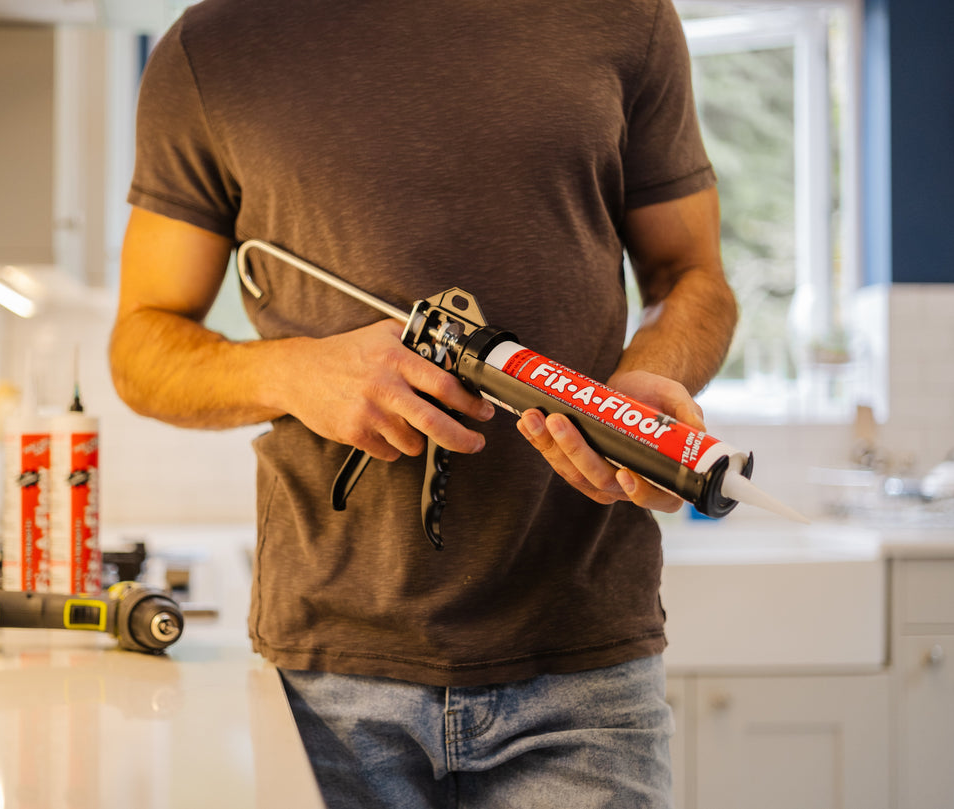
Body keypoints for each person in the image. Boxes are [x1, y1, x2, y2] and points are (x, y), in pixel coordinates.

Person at [110, 1, 737, 806]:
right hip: (328, 686)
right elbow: (141, 346)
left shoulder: (625, 17)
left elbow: (695, 278)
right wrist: (295, 373)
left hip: (582, 671)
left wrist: (635, 398)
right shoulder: (213, 44)